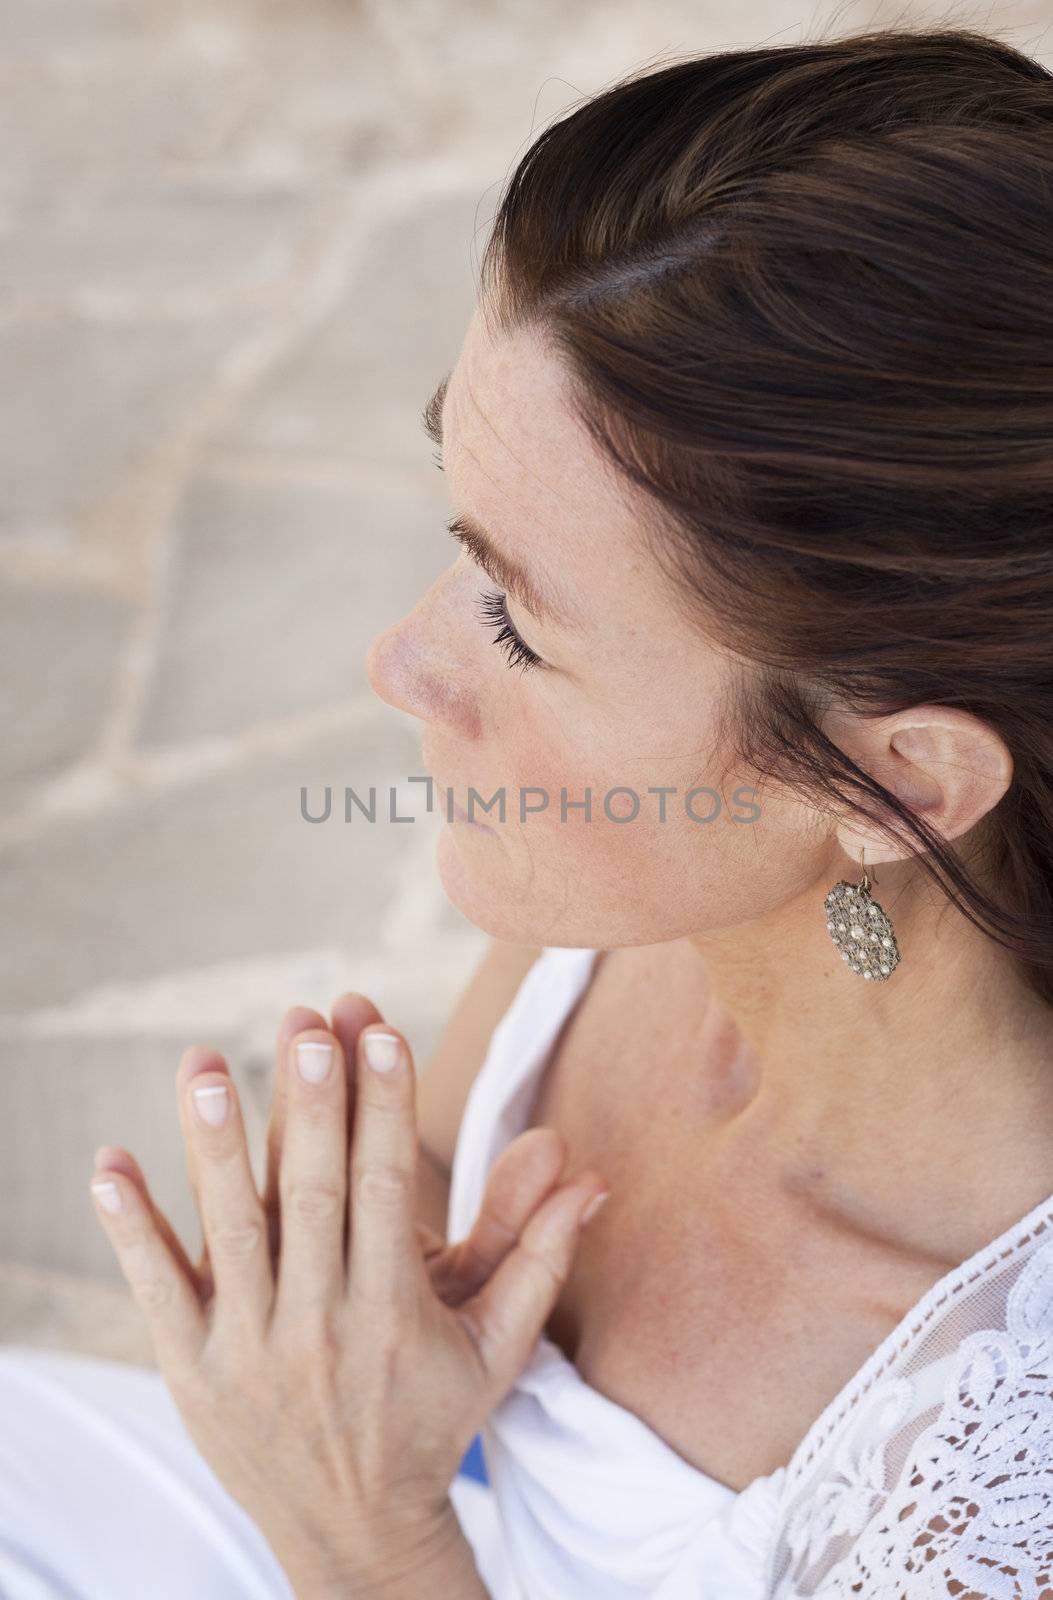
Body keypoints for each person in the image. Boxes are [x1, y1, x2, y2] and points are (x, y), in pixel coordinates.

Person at [4, 21, 1053, 1599]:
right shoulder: (670, 901)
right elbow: (433, 1162)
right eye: (464, 538)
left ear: (895, 784)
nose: (401, 661)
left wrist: (358, 1520)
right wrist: (345, 1314)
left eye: (512, 619)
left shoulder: (994, 1469)